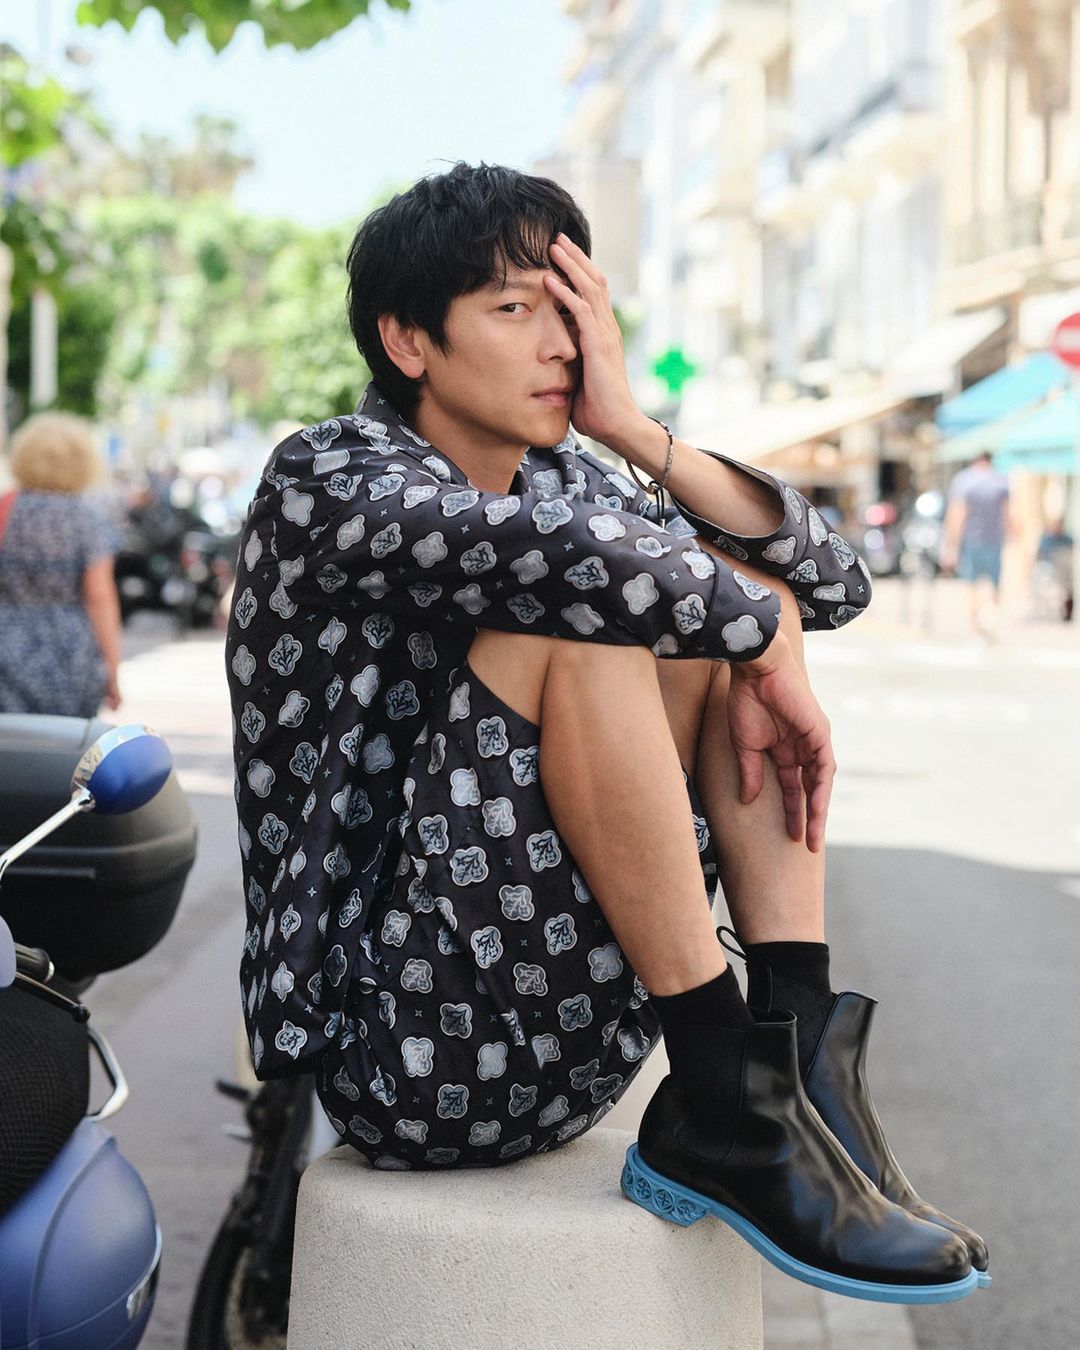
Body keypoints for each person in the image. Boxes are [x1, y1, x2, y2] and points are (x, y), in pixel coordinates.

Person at [226, 163, 987, 1304]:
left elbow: (832, 579)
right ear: (408, 340)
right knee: (601, 615)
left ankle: (797, 1050)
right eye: (514, 308)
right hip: (400, 1040)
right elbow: (566, 567)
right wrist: (759, 634)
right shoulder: (329, 476)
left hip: (579, 1032)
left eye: (572, 308)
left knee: (721, 589)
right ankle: (727, 1086)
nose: (561, 345)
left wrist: (632, 430)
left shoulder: (568, 476)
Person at [0, 412, 122, 717]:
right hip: (70, 652)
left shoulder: (5, 508)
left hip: (6, 646)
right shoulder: (87, 517)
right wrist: (112, 668)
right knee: (66, 740)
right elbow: (99, 596)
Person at [940, 450, 1014, 641]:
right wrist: (1012, 538)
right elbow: (1007, 514)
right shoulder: (1001, 481)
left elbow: (957, 514)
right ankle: (991, 620)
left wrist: (951, 545)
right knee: (994, 585)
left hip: (972, 540)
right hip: (995, 540)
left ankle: (975, 626)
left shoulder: (964, 480)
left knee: (972, 585)